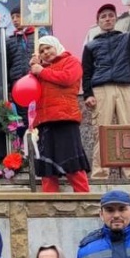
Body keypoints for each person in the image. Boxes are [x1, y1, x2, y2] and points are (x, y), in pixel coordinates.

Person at [81, 0, 130, 180]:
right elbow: (87, 72)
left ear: (115, 19)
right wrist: (88, 94)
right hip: (101, 89)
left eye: (110, 16)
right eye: (103, 17)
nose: (107, 19)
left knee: (128, 128)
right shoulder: (91, 45)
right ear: (98, 22)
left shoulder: (126, 38)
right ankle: (100, 173)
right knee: (102, 130)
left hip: (124, 87)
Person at [30, 35, 91, 193]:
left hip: (65, 119)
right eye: (41, 51)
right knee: (47, 167)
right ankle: (48, 202)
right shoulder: (41, 69)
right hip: (44, 121)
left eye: (48, 48)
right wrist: (32, 70)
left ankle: (84, 197)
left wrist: (42, 71)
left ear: (56, 46)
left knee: (72, 163)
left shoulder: (72, 61)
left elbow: (67, 79)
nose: (45, 52)